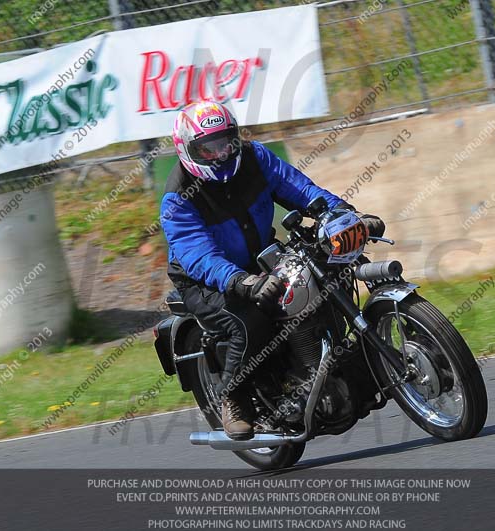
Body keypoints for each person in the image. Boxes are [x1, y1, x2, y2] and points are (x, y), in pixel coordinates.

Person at [161, 100, 385, 440]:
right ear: (188, 150)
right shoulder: (178, 197)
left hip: (262, 256)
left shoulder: (255, 157)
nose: (221, 153)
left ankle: (332, 364)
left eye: (226, 142)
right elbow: (198, 254)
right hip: (205, 280)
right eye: (209, 148)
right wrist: (239, 280)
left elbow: (299, 188)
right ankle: (232, 397)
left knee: (324, 276)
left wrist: (342, 214)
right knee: (249, 321)